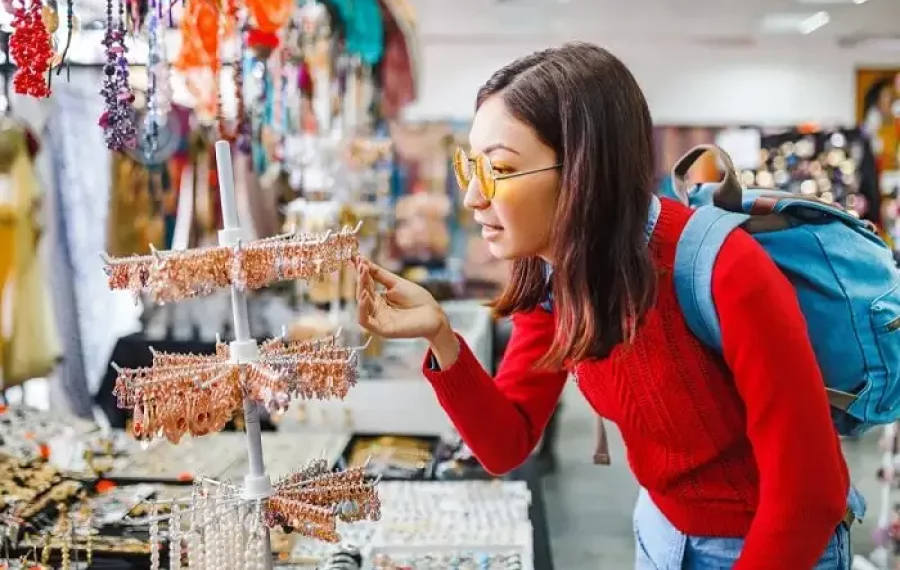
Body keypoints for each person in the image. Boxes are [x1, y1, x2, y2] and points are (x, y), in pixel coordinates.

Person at [355, 42, 864, 569]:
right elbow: (507, 443)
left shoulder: (722, 270)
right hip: (660, 534)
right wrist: (439, 335)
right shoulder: (554, 272)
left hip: (774, 545)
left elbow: (810, 492)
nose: (472, 199)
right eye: (471, 169)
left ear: (581, 170)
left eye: (499, 171)